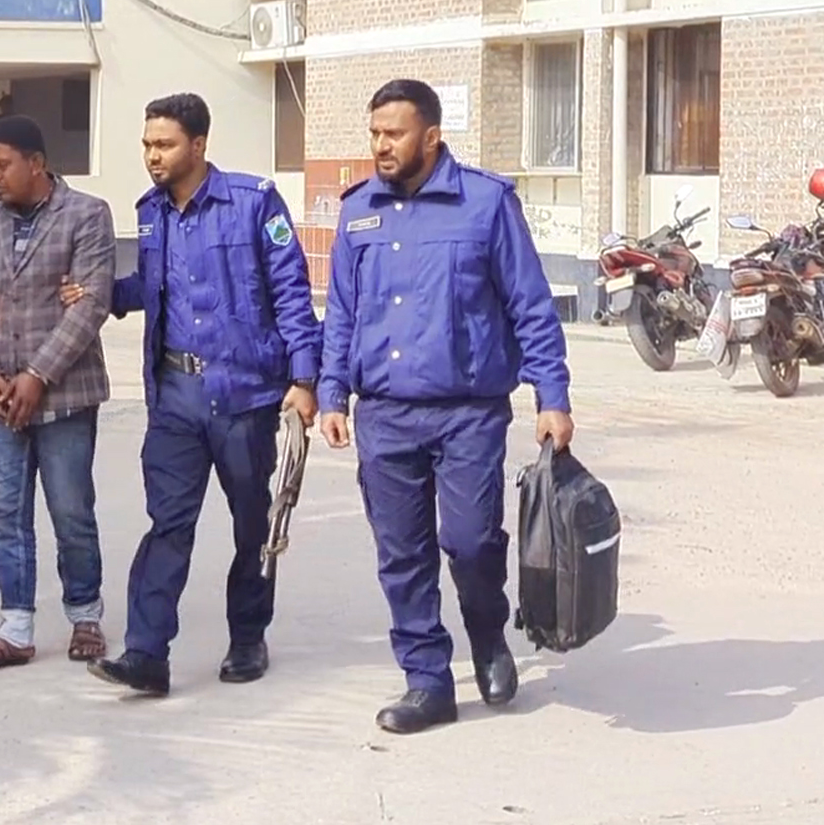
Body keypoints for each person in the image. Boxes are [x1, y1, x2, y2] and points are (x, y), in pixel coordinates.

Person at [316, 78, 574, 735]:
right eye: (375, 133)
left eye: (394, 133)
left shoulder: (484, 203)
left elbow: (530, 305)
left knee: (470, 541)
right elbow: (342, 310)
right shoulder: (358, 210)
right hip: (385, 413)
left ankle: (488, 634)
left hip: (468, 413)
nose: (381, 145)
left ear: (431, 136)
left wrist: (552, 396)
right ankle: (427, 680)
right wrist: (331, 391)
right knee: (401, 554)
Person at [77, 92, 321, 696]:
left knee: (251, 526)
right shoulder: (151, 212)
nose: (152, 156)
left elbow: (291, 290)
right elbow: (153, 286)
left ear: (199, 145)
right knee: (168, 523)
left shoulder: (253, 202)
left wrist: (305, 380)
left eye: (164, 144)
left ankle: (247, 638)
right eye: (147, 145)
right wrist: (100, 294)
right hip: (175, 396)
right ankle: (146, 653)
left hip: (244, 394)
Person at [0, 114, 117, 674]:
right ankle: (15, 627)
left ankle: (84, 615)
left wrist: (37, 375)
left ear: (37, 164)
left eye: (2, 165)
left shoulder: (87, 215)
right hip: (2, 397)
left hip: (65, 394)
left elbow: (89, 306)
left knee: (70, 509)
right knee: (6, 511)